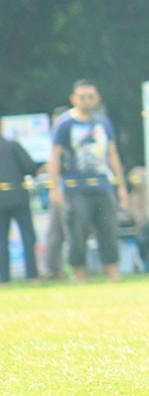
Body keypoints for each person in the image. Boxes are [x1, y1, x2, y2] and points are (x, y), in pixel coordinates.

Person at [46, 79, 129, 284]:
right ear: (74, 99)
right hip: (76, 188)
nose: (86, 100)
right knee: (77, 233)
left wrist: (121, 187)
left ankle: (112, 274)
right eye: (82, 97)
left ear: (97, 98)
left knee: (109, 231)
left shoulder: (103, 122)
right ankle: (80, 276)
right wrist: (54, 187)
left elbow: (112, 155)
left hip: (102, 184)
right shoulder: (64, 124)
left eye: (90, 96)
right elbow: (55, 156)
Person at [0, 131, 41, 285]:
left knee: (1, 240)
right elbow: (30, 167)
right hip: (18, 198)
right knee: (28, 237)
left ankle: (4, 279)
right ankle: (32, 276)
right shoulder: (13, 145)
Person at [42, 105, 70, 280]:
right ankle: (54, 270)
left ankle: (72, 268)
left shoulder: (68, 142)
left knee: (69, 232)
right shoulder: (53, 141)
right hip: (57, 191)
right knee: (55, 233)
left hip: (67, 190)